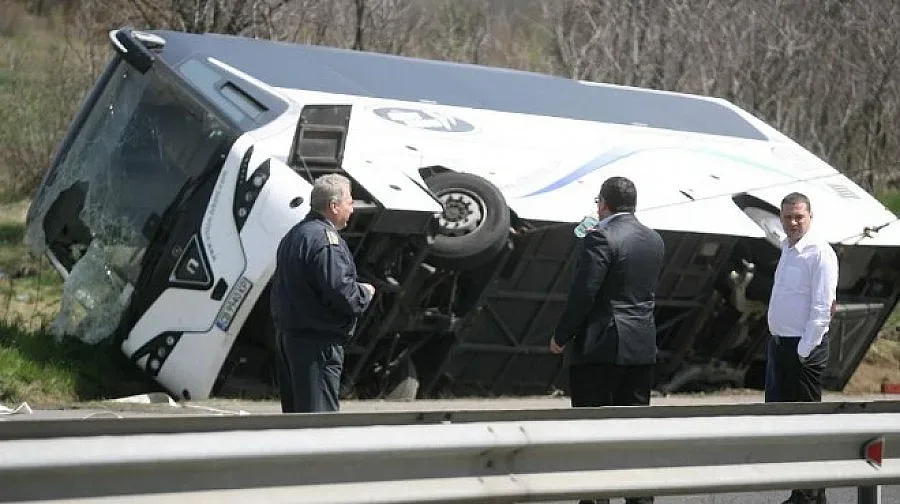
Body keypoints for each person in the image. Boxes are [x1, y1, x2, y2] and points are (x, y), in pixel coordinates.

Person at [549, 176, 665, 504]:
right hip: (641, 345)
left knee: (591, 432)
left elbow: (584, 293)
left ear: (603, 203)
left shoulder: (599, 237)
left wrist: (561, 335)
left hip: (601, 346)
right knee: (634, 434)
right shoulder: (654, 239)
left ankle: (595, 498)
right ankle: (640, 499)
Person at [270, 173, 375, 413]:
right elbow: (340, 291)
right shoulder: (326, 241)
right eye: (349, 202)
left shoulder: (296, 235)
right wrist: (364, 293)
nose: (353, 209)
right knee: (319, 421)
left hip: (293, 339)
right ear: (333, 206)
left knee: (297, 418)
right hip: (317, 344)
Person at [766, 192, 838, 504]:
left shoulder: (820, 253)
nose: (793, 222)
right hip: (781, 346)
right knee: (787, 425)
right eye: (787, 217)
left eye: (799, 217)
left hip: (803, 350)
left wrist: (804, 351)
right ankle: (803, 492)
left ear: (810, 217)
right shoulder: (787, 248)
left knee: (808, 426)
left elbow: (823, 308)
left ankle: (811, 496)